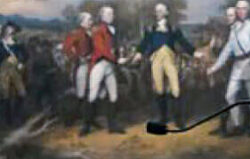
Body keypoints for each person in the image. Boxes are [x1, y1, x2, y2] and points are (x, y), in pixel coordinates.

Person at [208, 0, 250, 136]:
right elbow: (226, 51)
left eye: (243, 9)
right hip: (237, 65)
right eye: (238, 9)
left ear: (247, 11)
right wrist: (214, 68)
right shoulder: (233, 30)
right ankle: (237, 125)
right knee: (230, 96)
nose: (240, 11)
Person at [133, 3, 195, 126]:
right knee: (159, 87)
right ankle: (163, 117)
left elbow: (182, 41)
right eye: (157, 11)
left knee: (175, 87)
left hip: (169, 58)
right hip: (156, 59)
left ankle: (179, 119)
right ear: (155, 13)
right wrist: (139, 53)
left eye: (162, 10)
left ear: (166, 13)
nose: (159, 13)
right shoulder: (150, 29)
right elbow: (145, 42)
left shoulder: (173, 28)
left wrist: (194, 52)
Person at [88, 6, 126, 134]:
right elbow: (102, 50)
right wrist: (116, 60)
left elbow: (113, 47)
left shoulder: (113, 30)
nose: (111, 16)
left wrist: (119, 55)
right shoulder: (98, 30)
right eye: (108, 14)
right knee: (93, 94)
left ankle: (112, 126)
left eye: (112, 14)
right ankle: (86, 125)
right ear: (102, 16)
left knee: (113, 95)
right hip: (99, 64)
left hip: (109, 65)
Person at [63, 13, 94, 134]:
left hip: (93, 65)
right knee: (83, 94)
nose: (91, 22)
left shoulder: (92, 33)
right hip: (83, 66)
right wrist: (77, 58)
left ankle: (90, 119)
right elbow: (66, 48)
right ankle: (85, 124)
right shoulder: (76, 34)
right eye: (89, 20)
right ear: (82, 22)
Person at [0, 22, 26, 127]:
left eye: (12, 30)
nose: (11, 32)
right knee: (5, 96)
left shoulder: (18, 45)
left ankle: (16, 115)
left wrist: (21, 62)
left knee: (22, 94)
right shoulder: (1, 45)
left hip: (16, 71)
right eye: (9, 30)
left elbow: (25, 55)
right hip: (3, 70)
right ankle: (7, 119)